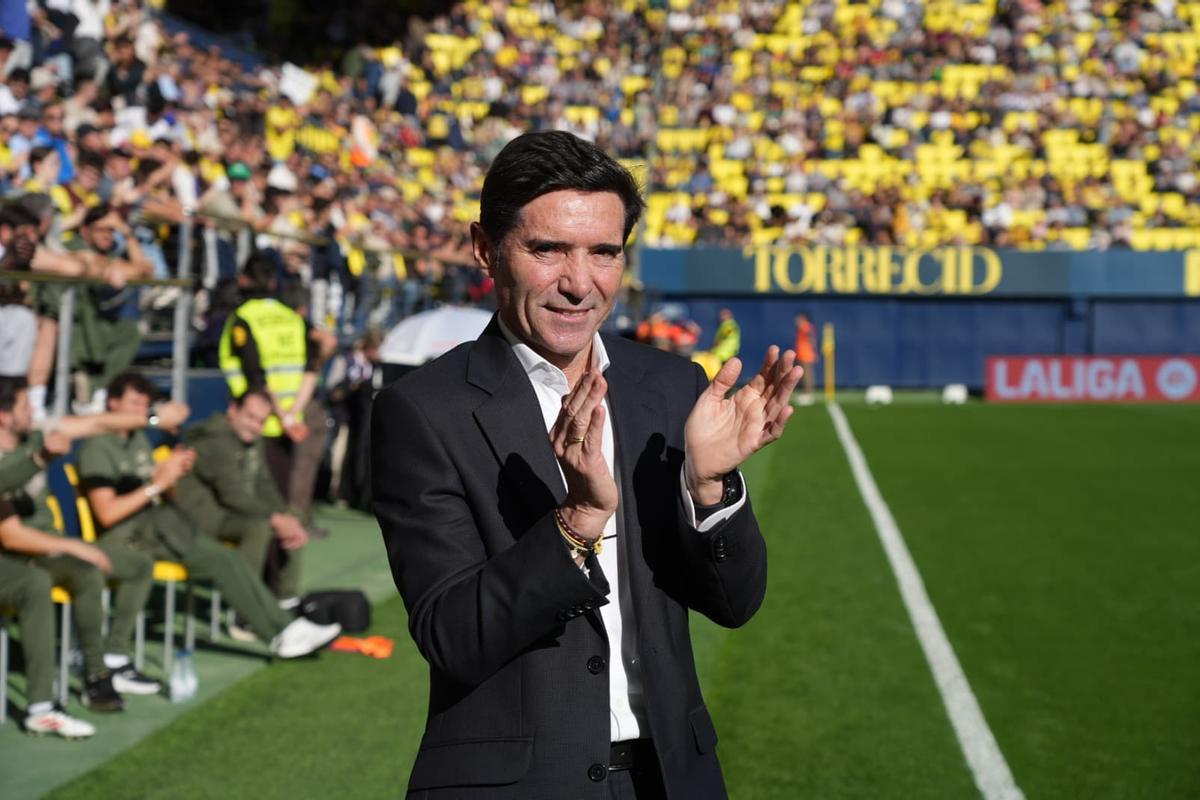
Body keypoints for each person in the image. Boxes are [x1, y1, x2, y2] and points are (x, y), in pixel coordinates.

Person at [372, 131, 801, 799]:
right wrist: (576, 522)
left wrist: (709, 488)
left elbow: (734, 603)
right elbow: (452, 637)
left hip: (672, 780)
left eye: (604, 252)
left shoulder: (673, 387)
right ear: (485, 249)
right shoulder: (423, 411)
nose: (579, 283)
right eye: (548, 249)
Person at [76, 372, 341, 659]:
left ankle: (285, 627)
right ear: (112, 404)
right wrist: (157, 484)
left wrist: (173, 474)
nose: (141, 411)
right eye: (134, 403)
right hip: (132, 537)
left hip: (164, 525)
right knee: (226, 559)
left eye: (145, 404)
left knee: (229, 559)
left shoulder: (137, 438)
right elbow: (107, 514)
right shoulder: (98, 446)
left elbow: (161, 492)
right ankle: (280, 632)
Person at [0, 375, 189, 715]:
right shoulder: (22, 452)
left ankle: (104, 666)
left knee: (123, 566)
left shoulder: (35, 432)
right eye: (25, 406)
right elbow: (11, 534)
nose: (33, 412)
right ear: (4, 415)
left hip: (48, 545)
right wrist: (74, 545)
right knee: (69, 573)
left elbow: (99, 423)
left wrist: (154, 419)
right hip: (16, 555)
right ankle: (63, 691)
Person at [217, 255, 322, 596]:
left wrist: (280, 414)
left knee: (264, 508)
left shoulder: (243, 318)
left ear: (244, 280)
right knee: (282, 502)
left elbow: (256, 375)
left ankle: (267, 589)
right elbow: (312, 367)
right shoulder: (292, 317)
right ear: (274, 283)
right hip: (289, 427)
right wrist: (293, 413)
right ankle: (277, 588)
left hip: (256, 427)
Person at [173, 389, 310, 615]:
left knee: (293, 516)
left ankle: (287, 600)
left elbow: (264, 485)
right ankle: (244, 609)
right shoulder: (214, 440)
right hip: (200, 517)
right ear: (233, 410)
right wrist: (275, 519)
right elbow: (232, 495)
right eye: (250, 417)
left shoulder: (251, 440)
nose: (255, 426)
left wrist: (285, 516)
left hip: (228, 513)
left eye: (261, 421)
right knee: (258, 526)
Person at [793, 313, 818, 405]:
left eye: (799, 318)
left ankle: (808, 394)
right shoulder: (802, 327)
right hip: (801, 354)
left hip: (806, 354)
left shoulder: (806, 326)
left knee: (807, 375)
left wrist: (814, 351)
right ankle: (806, 393)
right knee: (803, 375)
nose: (797, 320)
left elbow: (812, 338)